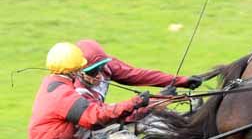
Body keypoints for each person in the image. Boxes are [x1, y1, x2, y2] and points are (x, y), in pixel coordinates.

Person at [28, 42, 180, 139]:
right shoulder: (61, 93)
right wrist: (135, 102)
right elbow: (95, 117)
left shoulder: (56, 84)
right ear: (75, 70)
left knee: (130, 127)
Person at [74, 39, 203, 102]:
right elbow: (106, 116)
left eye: (100, 68)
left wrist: (180, 81)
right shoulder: (78, 93)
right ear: (77, 71)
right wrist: (157, 101)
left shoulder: (107, 65)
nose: (98, 75)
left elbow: (138, 75)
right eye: (92, 71)